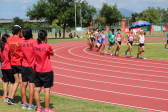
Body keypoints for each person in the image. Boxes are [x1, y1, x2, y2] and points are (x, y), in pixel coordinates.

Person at [34, 30, 55, 112]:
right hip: (47, 70)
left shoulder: (34, 46)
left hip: (38, 70)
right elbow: (52, 53)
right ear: (45, 37)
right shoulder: (47, 46)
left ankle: (39, 107)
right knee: (47, 90)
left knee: (37, 89)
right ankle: (46, 108)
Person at [19, 27, 37, 109]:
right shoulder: (34, 41)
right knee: (32, 86)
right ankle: (30, 104)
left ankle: (24, 103)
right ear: (31, 33)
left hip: (23, 65)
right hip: (31, 66)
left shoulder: (20, 42)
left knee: (23, 85)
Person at [7, 25, 23, 105]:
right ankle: (23, 100)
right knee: (21, 82)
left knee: (16, 81)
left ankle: (11, 98)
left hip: (12, 62)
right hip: (19, 62)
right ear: (19, 32)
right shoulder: (21, 40)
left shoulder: (9, 39)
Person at [0, 34, 15, 102]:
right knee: (12, 82)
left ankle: (5, 95)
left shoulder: (1, 47)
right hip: (9, 66)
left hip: (3, 66)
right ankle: (9, 96)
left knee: (5, 81)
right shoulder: (8, 46)